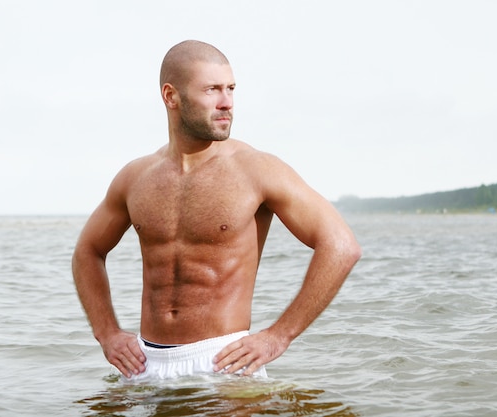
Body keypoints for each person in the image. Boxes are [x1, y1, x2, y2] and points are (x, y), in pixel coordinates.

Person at [72, 40, 361, 382]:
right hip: (143, 364)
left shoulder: (256, 169)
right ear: (171, 96)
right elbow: (87, 252)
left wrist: (279, 335)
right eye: (212, 89)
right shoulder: (136, 178)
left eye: (231, 89)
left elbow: (341, 247)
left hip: (223, 362)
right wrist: (107, 333)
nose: (227, 103)